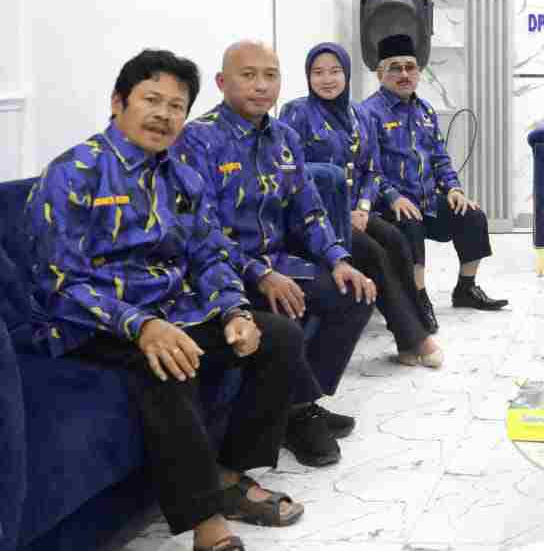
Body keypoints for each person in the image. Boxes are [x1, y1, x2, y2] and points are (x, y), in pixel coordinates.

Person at [26, 50, 306, 551]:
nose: (163, 114)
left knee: (278, 336)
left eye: (176, 106)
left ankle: (227, 473)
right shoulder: (73, 173)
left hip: (171, 310)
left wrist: (234, 310)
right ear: (118, 102)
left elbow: (209, 252)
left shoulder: (182, 175)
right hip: (89, 321)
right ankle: (206, 523)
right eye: (151, 100)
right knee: (168, 364)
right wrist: (141, 325)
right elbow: (58, 282)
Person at [177, 41, 376, 468]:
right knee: (284, 307)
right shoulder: (197, 139)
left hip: (279, 262)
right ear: (222, 82)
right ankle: (300, 414)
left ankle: (296, 405)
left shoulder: (284, 137)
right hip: (222, 273)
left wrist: (339, 259)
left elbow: (309, 210)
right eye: (248, 75)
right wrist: (259, 274)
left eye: (270, 76)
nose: (261, 85)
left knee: (354, 293)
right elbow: (200, 230)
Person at [280, 42, 444, 368]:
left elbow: (372, 169)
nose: (327, 79)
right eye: (318, 72)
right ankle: (414, 338)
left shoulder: (360, 114)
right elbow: (293, 175)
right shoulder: (295, 113)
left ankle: (412, 335)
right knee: (374, 254)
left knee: (396, 240)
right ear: (308, 77)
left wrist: (365, 207)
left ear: (347, 74)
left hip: (355, 212)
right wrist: (340, 209)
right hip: (317, 218)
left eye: (335, 71)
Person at [359, 33, 508, 312]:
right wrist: (393, 197)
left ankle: (466, 289)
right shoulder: (368, 113)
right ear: (380, 74)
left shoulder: (425, 110)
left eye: (410, 67)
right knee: (410, 221)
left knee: (472, 216)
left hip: (427, 200)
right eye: (395, 68)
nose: (404, 74)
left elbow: (440, 158)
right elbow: (369, 168)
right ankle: (418, 298)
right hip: (389, 206)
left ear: (418, 72)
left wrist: (454, 189)